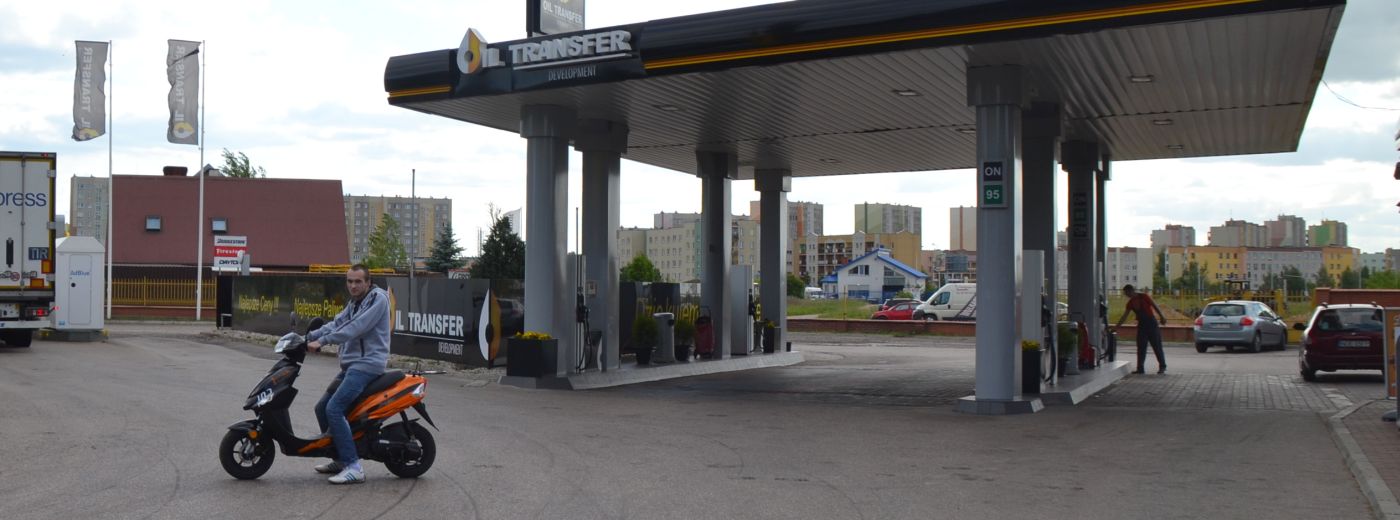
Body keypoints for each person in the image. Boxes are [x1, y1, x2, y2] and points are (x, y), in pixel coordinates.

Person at [306, 264, 391, 485]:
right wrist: (307, 336)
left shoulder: (378, 300)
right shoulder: (354, 303)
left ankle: (354, 466)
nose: (353, 286)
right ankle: (340, 458)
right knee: (321, 408)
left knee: (334, 409)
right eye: (350, 281)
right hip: (352, 367)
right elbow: (337, 323)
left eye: (358, 281)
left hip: (367, 365)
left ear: (368, 282)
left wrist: (323, 341)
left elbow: (356, 327)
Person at [1113, 284, 1167, 374]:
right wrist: (1116, 327)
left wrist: (1162, 317)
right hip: (1142, 325)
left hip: (1151, 323)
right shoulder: (1130, 303)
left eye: (1127, 293)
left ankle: (1162, 366)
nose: (1126, 295)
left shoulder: (1144, 296)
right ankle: (1140, 368)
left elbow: (1154, 306)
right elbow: (1124, 316)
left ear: (1131, 291)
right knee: (1141, 347)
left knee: (1156, 345)